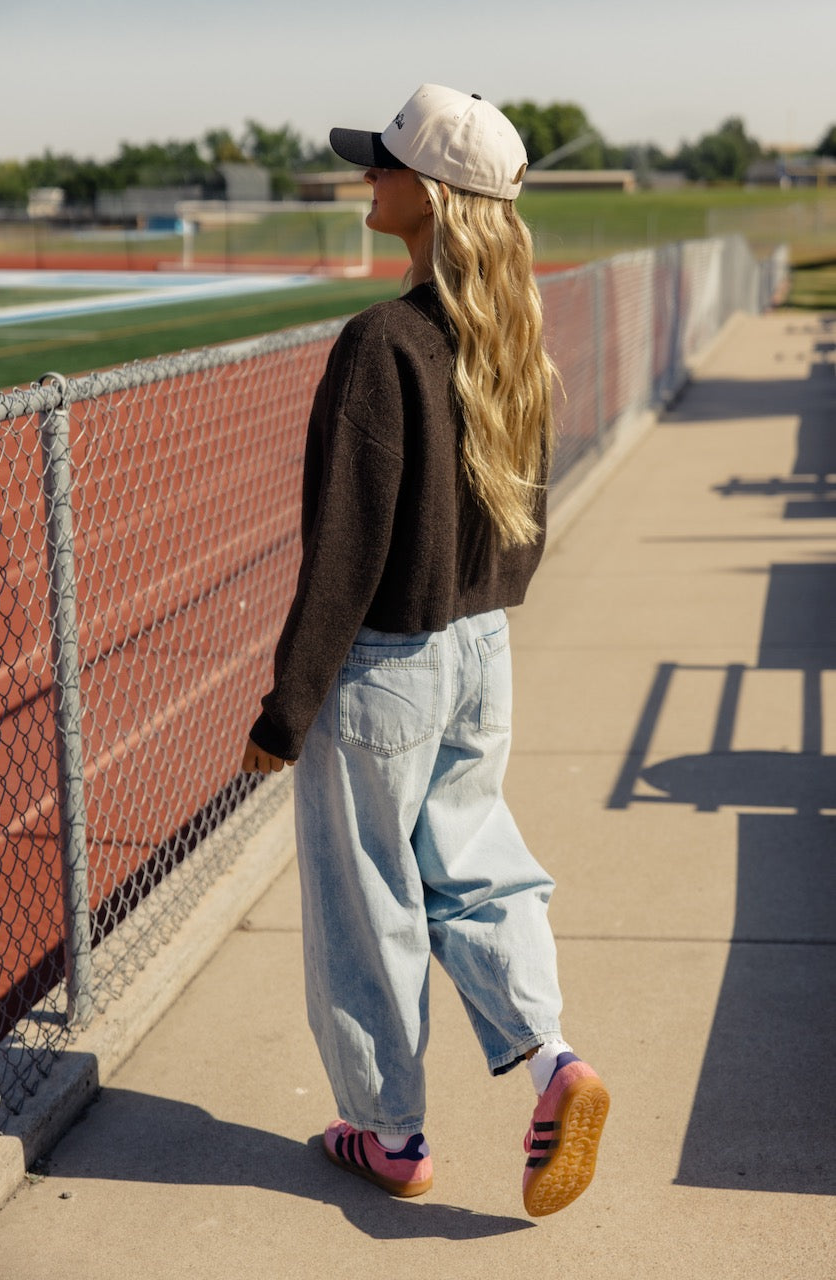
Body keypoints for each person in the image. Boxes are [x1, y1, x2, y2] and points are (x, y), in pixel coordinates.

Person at [241, 83, 609, 1217]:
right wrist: (479, 613)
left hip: (383, 670)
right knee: (478, 870)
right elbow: (526, 526)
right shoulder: (511, 342)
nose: (367, 177)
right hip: (477, 649)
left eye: (382, 165)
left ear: (432, 198)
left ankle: (389, 1130)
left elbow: (341, 556)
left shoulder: (379, 345)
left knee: (369, 905)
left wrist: (284, 711)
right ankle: (552, 1060)